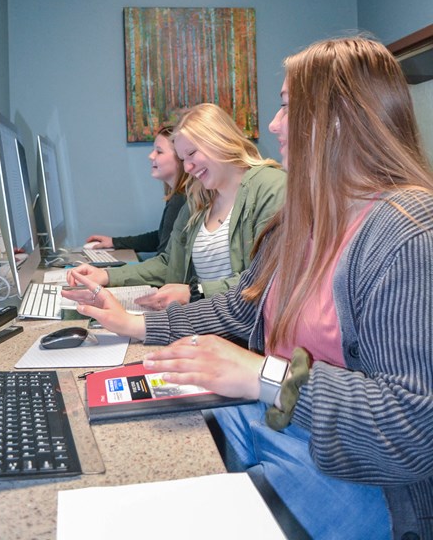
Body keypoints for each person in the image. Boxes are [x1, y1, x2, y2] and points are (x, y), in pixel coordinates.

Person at [63, 38, 433, 539]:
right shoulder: (302, 217)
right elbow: (241, 313)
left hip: (353, 472)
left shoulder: (406, 232)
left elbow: (413, 426)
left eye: (286, 107)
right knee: (111, 445)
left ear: (341, 116)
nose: (275, 125)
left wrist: (266, 376)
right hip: (270, 419)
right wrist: (134, 323)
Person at [66, 103, 286, 309]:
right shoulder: (199, 200)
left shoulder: (270, 186)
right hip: (200, 324)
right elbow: (169, 263)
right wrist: (106, 276)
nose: (188, 168)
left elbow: (266, 279)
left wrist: (194, 292)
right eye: (183, 158)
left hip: (240, 333)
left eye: (191, 154)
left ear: (219, 139)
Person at [86, 126, 188, 256]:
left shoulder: (179, 201)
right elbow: (161, 237)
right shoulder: (178, 197)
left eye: (159, 151)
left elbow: (164, 264)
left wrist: (109, 274)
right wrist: (115, 242)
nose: (151, 156)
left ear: (179, 158)